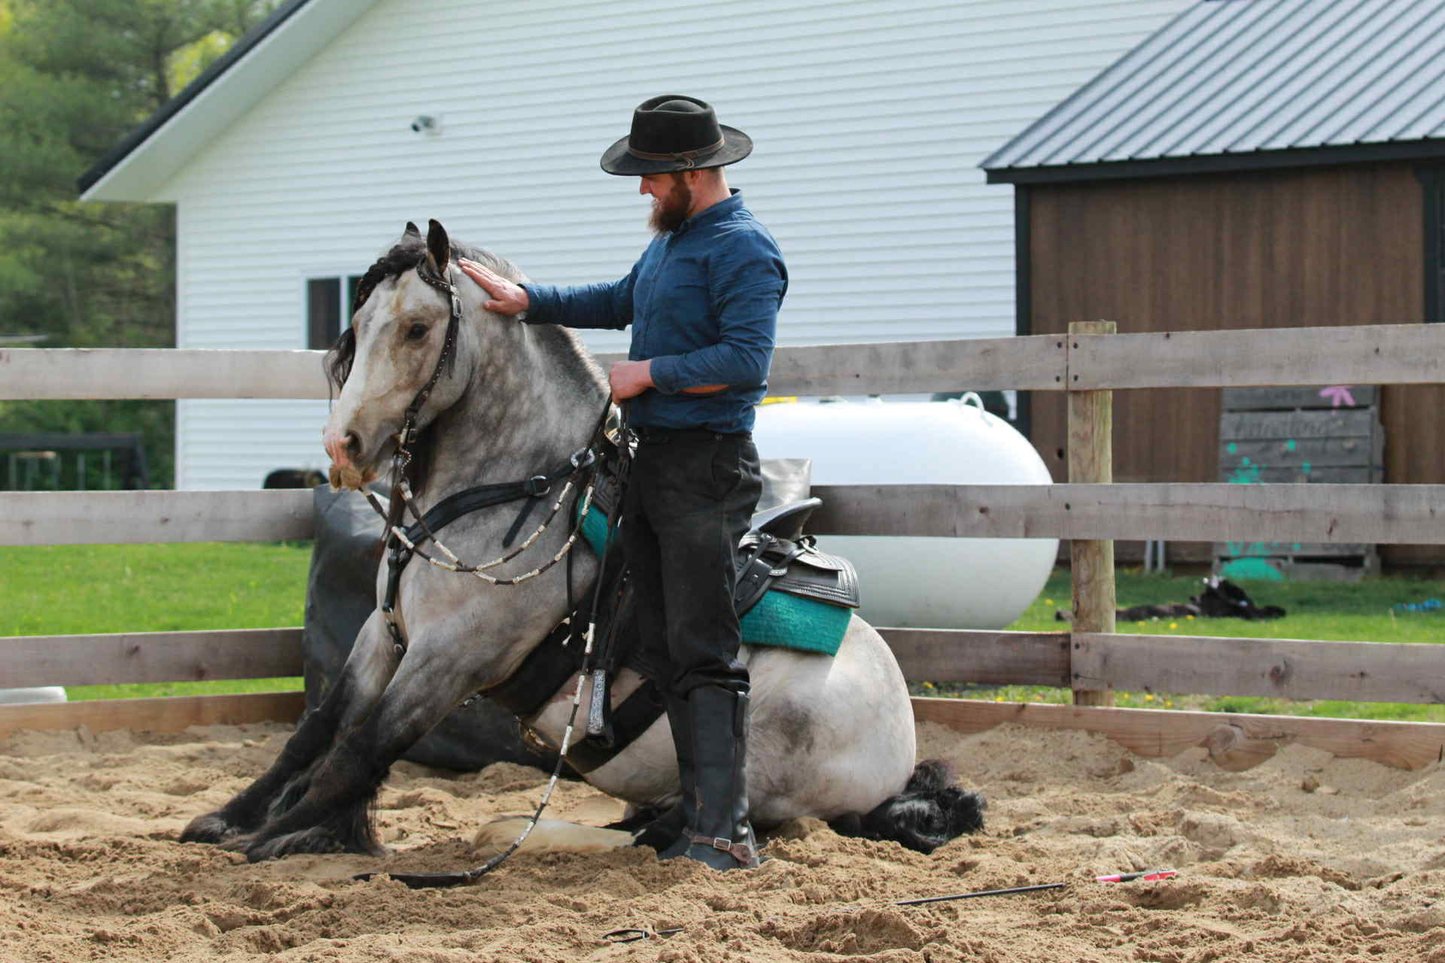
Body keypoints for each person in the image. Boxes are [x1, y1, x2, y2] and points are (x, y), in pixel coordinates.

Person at [458, 95, 787, 871]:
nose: (642, 190)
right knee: (663, 639)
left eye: (650, 177)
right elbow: (619, 299)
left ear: (691, 173)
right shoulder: (676, 244)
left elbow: (746, 360)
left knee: (703, 645)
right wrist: (529, 302)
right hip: (652, 463)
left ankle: (723, 831)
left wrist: (648, 373)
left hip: (705, 466)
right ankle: (693, 814)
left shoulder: (745, 250)